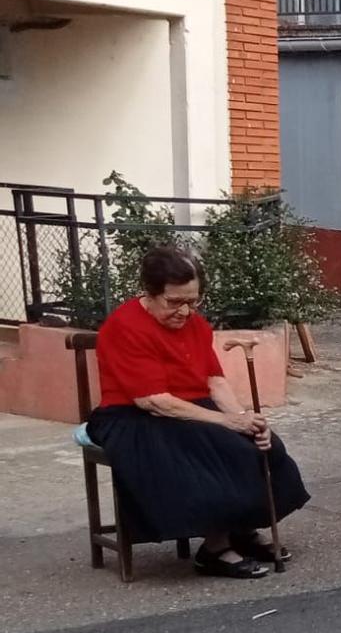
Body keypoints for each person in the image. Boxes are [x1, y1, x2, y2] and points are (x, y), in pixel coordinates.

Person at [85, 245, 310, 578]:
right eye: (174, 302)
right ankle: (213, 548)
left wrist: (245, 420)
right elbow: (153, 401)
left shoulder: (197, 325)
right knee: (208, 450)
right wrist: (225, 422)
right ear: (149, 293)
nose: (185, 311)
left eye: (193, 301)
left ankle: (241, 527)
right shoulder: (125, 326)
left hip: (189, 408)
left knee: (261, 445)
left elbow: (215, 382)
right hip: (132, 416)